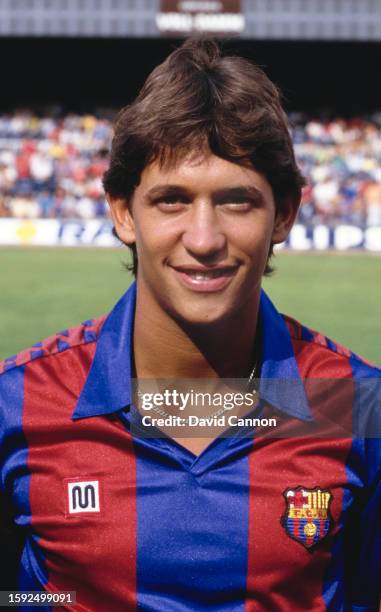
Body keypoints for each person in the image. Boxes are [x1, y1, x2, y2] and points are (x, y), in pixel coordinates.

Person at [1, 38, 380, 612]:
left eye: (236, 202)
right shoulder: (18, 403)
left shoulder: (356, 402)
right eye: (172, 200)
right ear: (123, 212)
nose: (203, 240)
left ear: (284, 214)